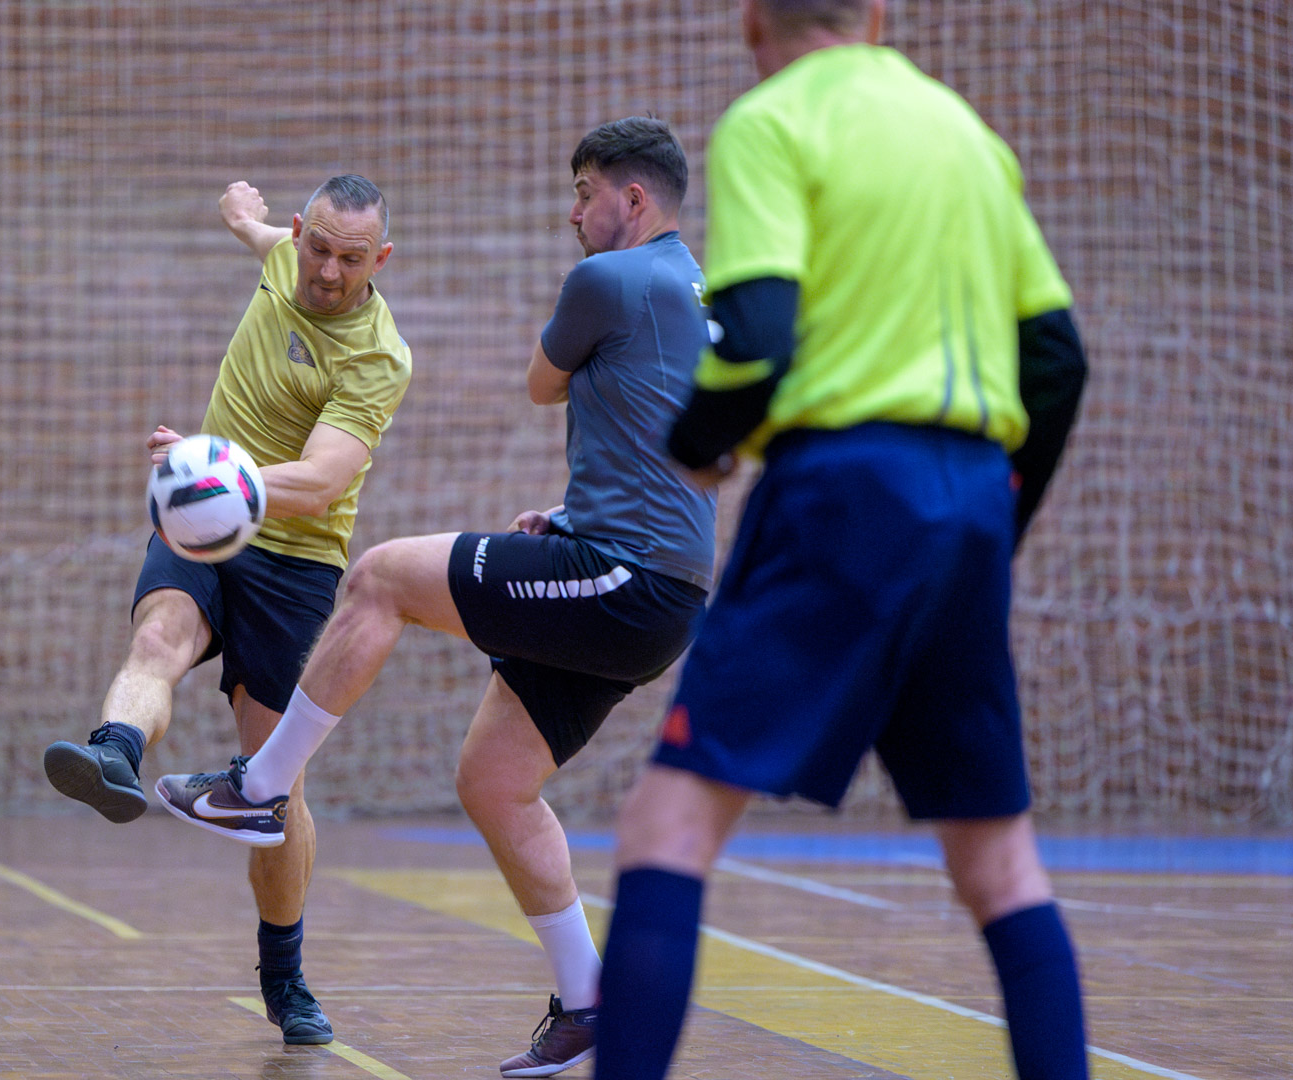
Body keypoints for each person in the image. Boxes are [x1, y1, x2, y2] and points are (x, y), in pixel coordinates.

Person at [154, 117, 716, 1079]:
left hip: (623, 575)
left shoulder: (607, 280)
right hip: (657, 584)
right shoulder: (696, 295)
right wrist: (580, 511)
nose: (572, 213)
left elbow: (541, 384)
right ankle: (588, 1000)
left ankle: (259, 788)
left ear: (633, 200)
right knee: (493, 781)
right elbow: (691, 440)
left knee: (381, 577)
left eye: (583, 193)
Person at [592, 3, 1092, 1079]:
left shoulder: (774, 120)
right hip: (968, 502)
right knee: (1000, 864)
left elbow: (757, 338)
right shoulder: (965, 132)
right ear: (874, 14)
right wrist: (992, 525)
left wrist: (698, 444)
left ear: (751, 20)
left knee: (667, 828)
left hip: (843, 493)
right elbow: (1056, 360)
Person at [42, 174, 410, 1048]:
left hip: (296, 560)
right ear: (300, 232)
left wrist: (210, 466)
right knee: (158, 634)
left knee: (272, 780)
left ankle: (284, 976)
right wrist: (240, 211)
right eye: (316, 247)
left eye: (350, 258)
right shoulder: (284, 256)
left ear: (380, 260)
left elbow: (320, 481)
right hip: (204, 525)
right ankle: (114, 754)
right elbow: (253, 228)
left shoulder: (377, 355)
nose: (327, 271)